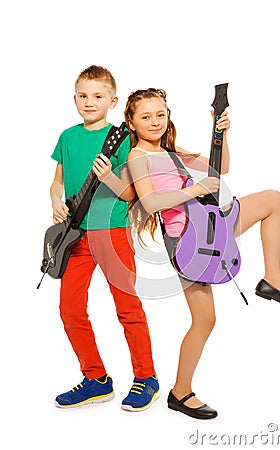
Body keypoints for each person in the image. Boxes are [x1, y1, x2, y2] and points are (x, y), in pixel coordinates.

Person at [124, 88, 280, 420]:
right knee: (205, 320)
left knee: (273, 199)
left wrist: (220, 132)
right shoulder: (138, 157)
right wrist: (195, 189)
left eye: (160, 114)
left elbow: (220, 166)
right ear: (132, 121)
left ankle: (273, 280)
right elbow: (150, 201)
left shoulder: (170, 151)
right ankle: (180, 392)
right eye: (146, 116)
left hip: (210, 221)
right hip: (188, 242)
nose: (155, 121)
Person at [49, 66, 159, 411]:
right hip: (75, 237)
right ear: (74, 98)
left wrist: (110, 176)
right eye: (83, 95)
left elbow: (131, 194)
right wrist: (55, 200)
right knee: (69, 309)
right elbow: (57, 181)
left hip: (111, 233)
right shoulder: (67, 137)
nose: (89, 102)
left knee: (127, 308)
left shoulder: (123, 139)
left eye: (97, 96)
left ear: (112, 100)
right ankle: (95, 379)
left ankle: (147, 378)